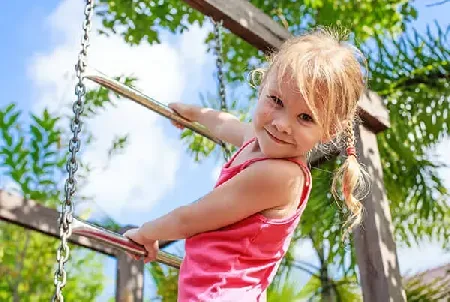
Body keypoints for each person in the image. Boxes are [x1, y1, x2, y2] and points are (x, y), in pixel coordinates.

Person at [124, 27, 368, 301]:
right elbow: (227, 124)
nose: (281, 124)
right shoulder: (259, 141)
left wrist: (146, 233)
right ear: (263, 85)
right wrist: (195, 114)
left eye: (305, 118)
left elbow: (190, 219)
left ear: (329, 131)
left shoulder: (280, 175)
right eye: (276, 100)